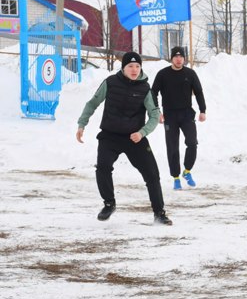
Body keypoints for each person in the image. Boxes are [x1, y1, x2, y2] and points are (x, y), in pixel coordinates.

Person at [76, 51, 172, 225]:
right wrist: (82, 124)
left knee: (152, 174)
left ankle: (159, 213)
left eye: (137, 66)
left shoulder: (145, 89)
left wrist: (142, 133)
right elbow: (92, 103)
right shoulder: (110, 82)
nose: (134, 70)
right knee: (103, 167)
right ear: (123, 67)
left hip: (134, 138)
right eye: (130, 66)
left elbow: (154, 115)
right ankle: (109, 203)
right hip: (110, 136)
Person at [151, 46, 206, 190]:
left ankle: (187, 171)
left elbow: (199, 92)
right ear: (171, 58)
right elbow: (153, 92)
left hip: (187, 114)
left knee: (192, 142)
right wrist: (157, 111)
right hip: (170, 115)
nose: (178, 59)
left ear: (184, 58)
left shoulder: (190, 74)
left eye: (181, 56)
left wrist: (202, 110)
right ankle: (176, 177)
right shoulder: (163, 74)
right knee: (172, 147)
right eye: (176, 56)